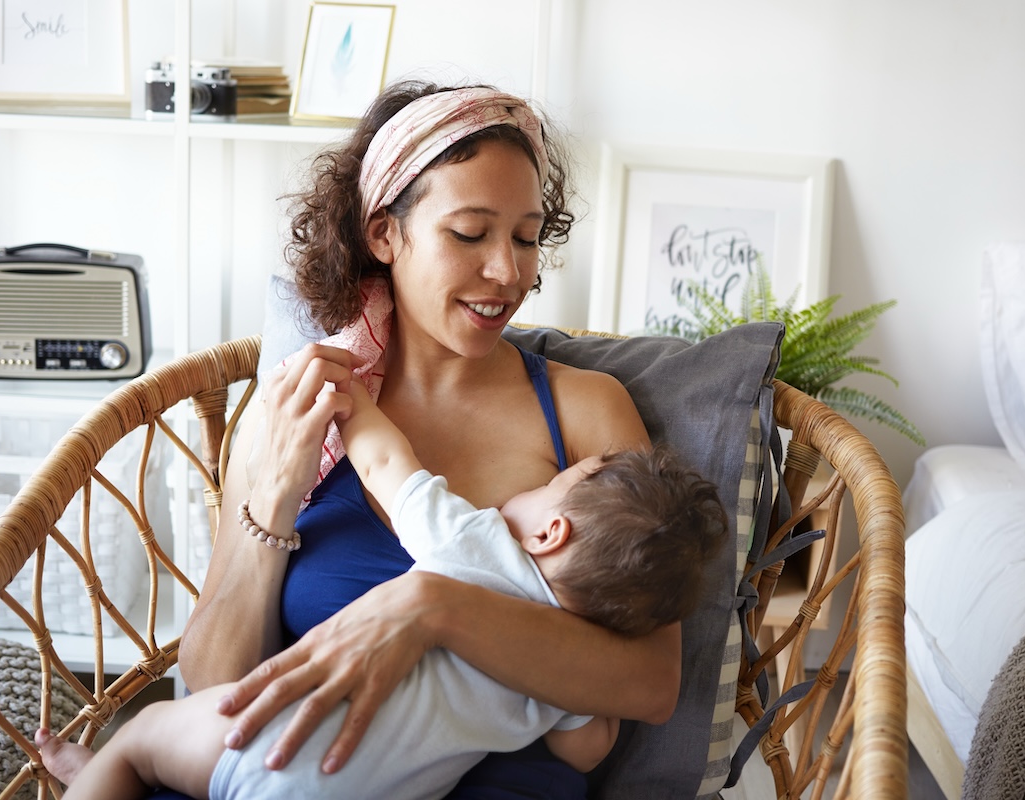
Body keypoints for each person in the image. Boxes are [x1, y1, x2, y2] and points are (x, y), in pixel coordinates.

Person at [131, 79, 685, 799]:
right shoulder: (300, 410)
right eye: (469, 233)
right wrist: (274, 498)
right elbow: (213, 687)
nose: (509, 272)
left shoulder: (585, 412)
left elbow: (650, 683)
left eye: (525, 237)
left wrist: (431, 609)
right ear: (384, 234)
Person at [38, 377, 728, 800]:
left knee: (143, 738)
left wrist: (353, 401)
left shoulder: (474, 543)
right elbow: (589, 748)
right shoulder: (563, 675)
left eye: (556, 483)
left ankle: (100, 777)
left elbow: (387, 462)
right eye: (470, 234)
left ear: (548, 533)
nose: (508, 268)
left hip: (276, 749)